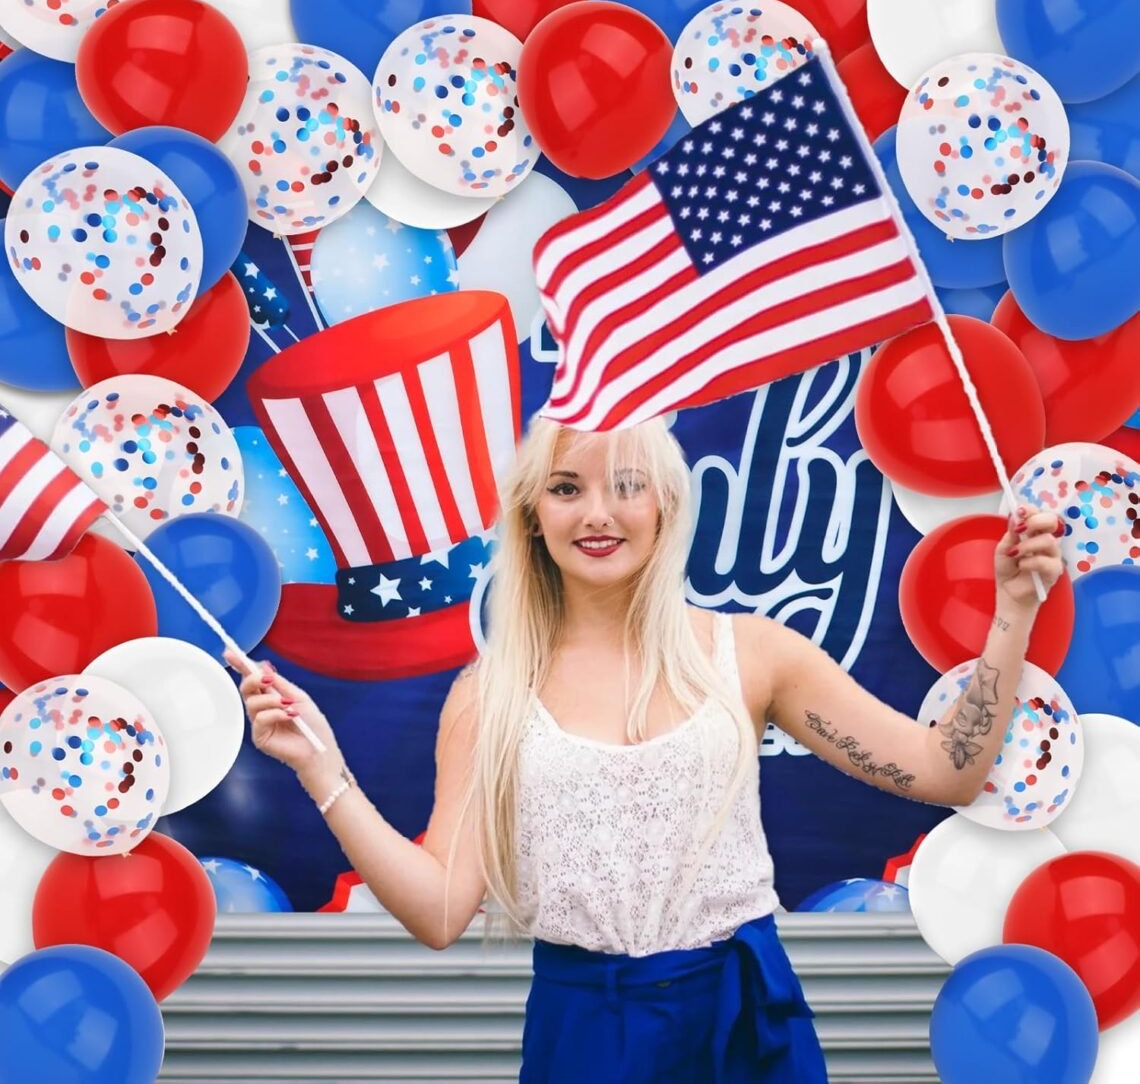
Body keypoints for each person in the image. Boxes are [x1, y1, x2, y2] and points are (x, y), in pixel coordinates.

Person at [227, 415, 1065, 1083]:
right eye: (567, 488)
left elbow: (944, 770)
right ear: (532, 516)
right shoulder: (490, 695)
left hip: (747, 1020)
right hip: (587, 1029)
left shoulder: (751, 653)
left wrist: (1012, 612)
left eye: (627, 485)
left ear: (664, 504)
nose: (598, 512)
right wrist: (323, 770)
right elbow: (442, 912)